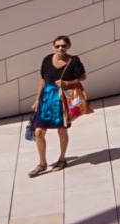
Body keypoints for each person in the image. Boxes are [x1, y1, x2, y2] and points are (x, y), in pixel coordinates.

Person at [27, 34, 85, 177]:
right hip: (47, 98)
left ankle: (62, 159)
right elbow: (43, 80)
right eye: (57, 46)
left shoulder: (74, 61)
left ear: (68, 46)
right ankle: (42, 163)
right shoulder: (47, 60)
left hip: (62, 99)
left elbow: (83, 77)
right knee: (38, 132)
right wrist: (37, 99)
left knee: (62, 131)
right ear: (53, 47)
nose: (60, 48)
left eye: (63, 46)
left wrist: (68, 83)